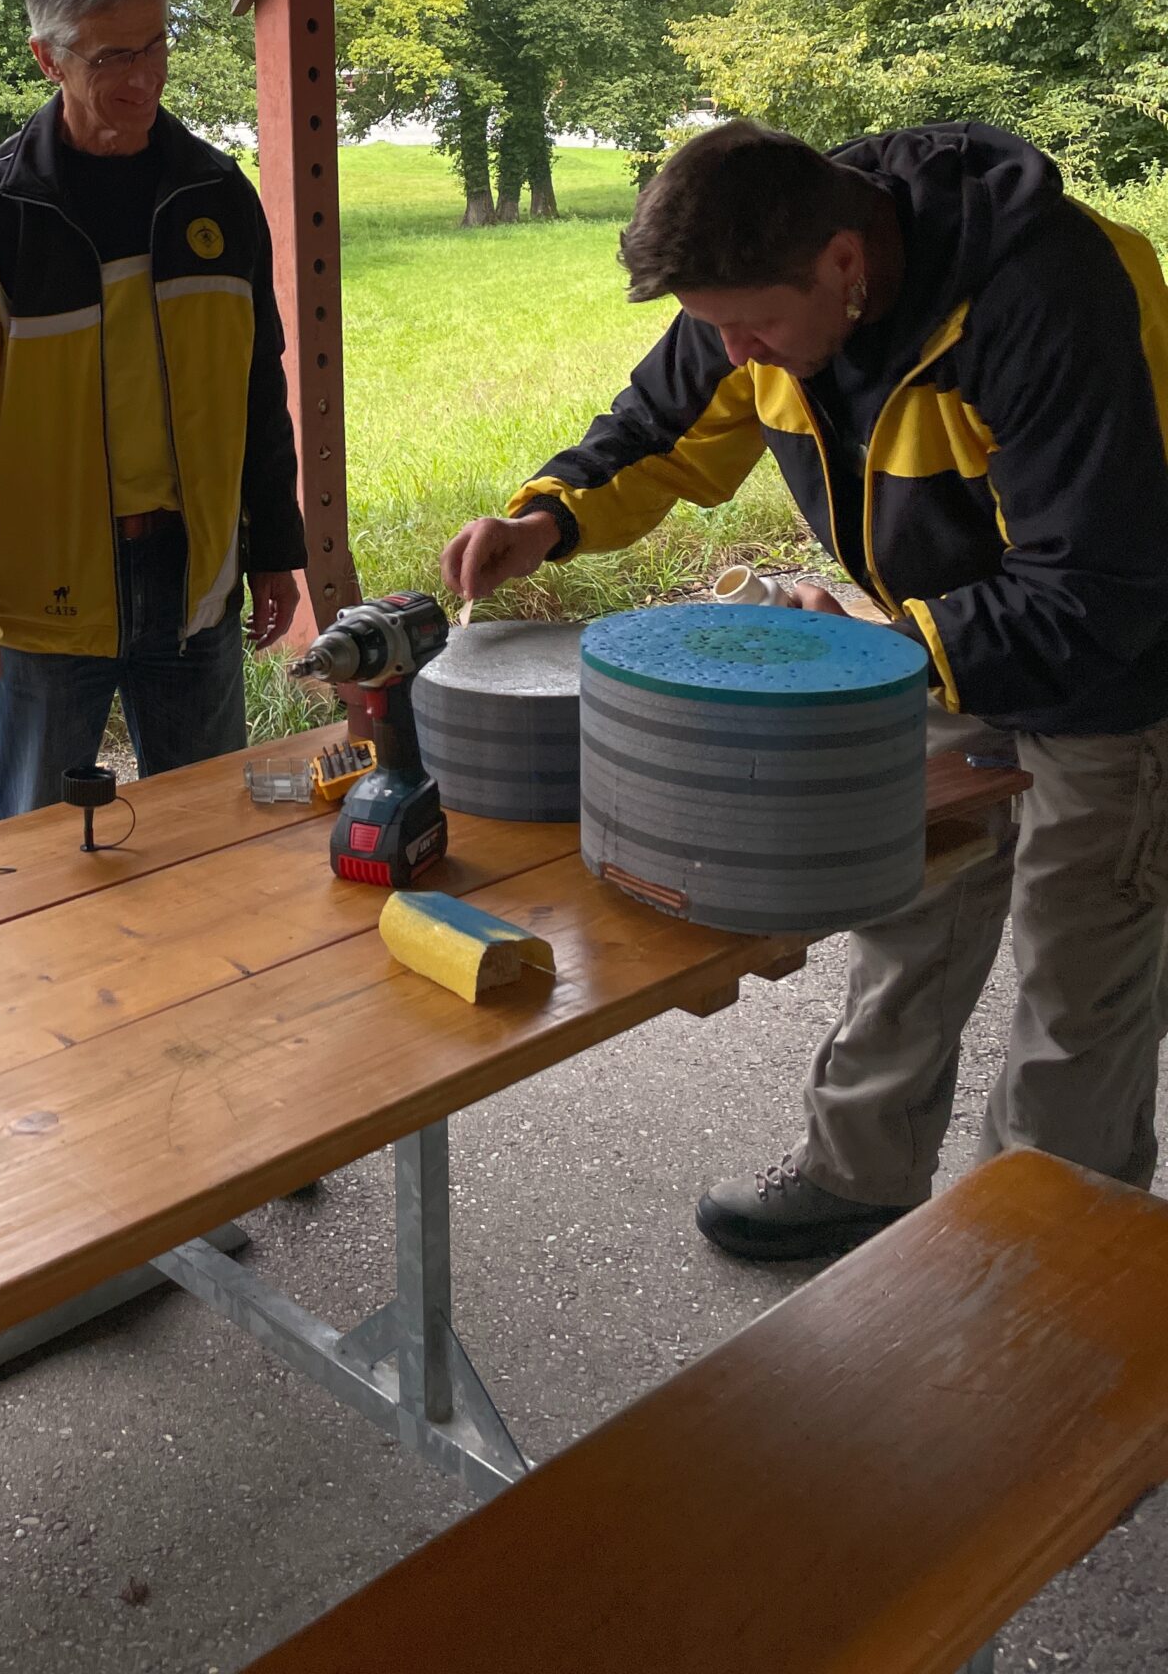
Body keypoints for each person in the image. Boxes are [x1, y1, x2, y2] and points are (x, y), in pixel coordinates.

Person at [444, 117, 1168, 1259]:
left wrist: (882, 652)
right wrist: (546, 520)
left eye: (754, 330)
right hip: (935, 635)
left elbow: (1100, 585)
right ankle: (861, 1171)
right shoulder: (764, 277)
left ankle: (1049, 1260)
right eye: (714, 329)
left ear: (844, 265)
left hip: (1120, 664)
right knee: (909, 901)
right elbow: (659, 426)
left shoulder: (1054, 293)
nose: (736, 355)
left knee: (1080, 980)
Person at [0, 0, 305, 822]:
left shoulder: (216, 195)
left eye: (156, 44)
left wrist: (277, 551)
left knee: (209, 837)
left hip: (193, 581)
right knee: (36, 857)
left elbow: (258, 389)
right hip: (45, 601)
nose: (143, 77)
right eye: (113, 56)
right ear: (48, 58)